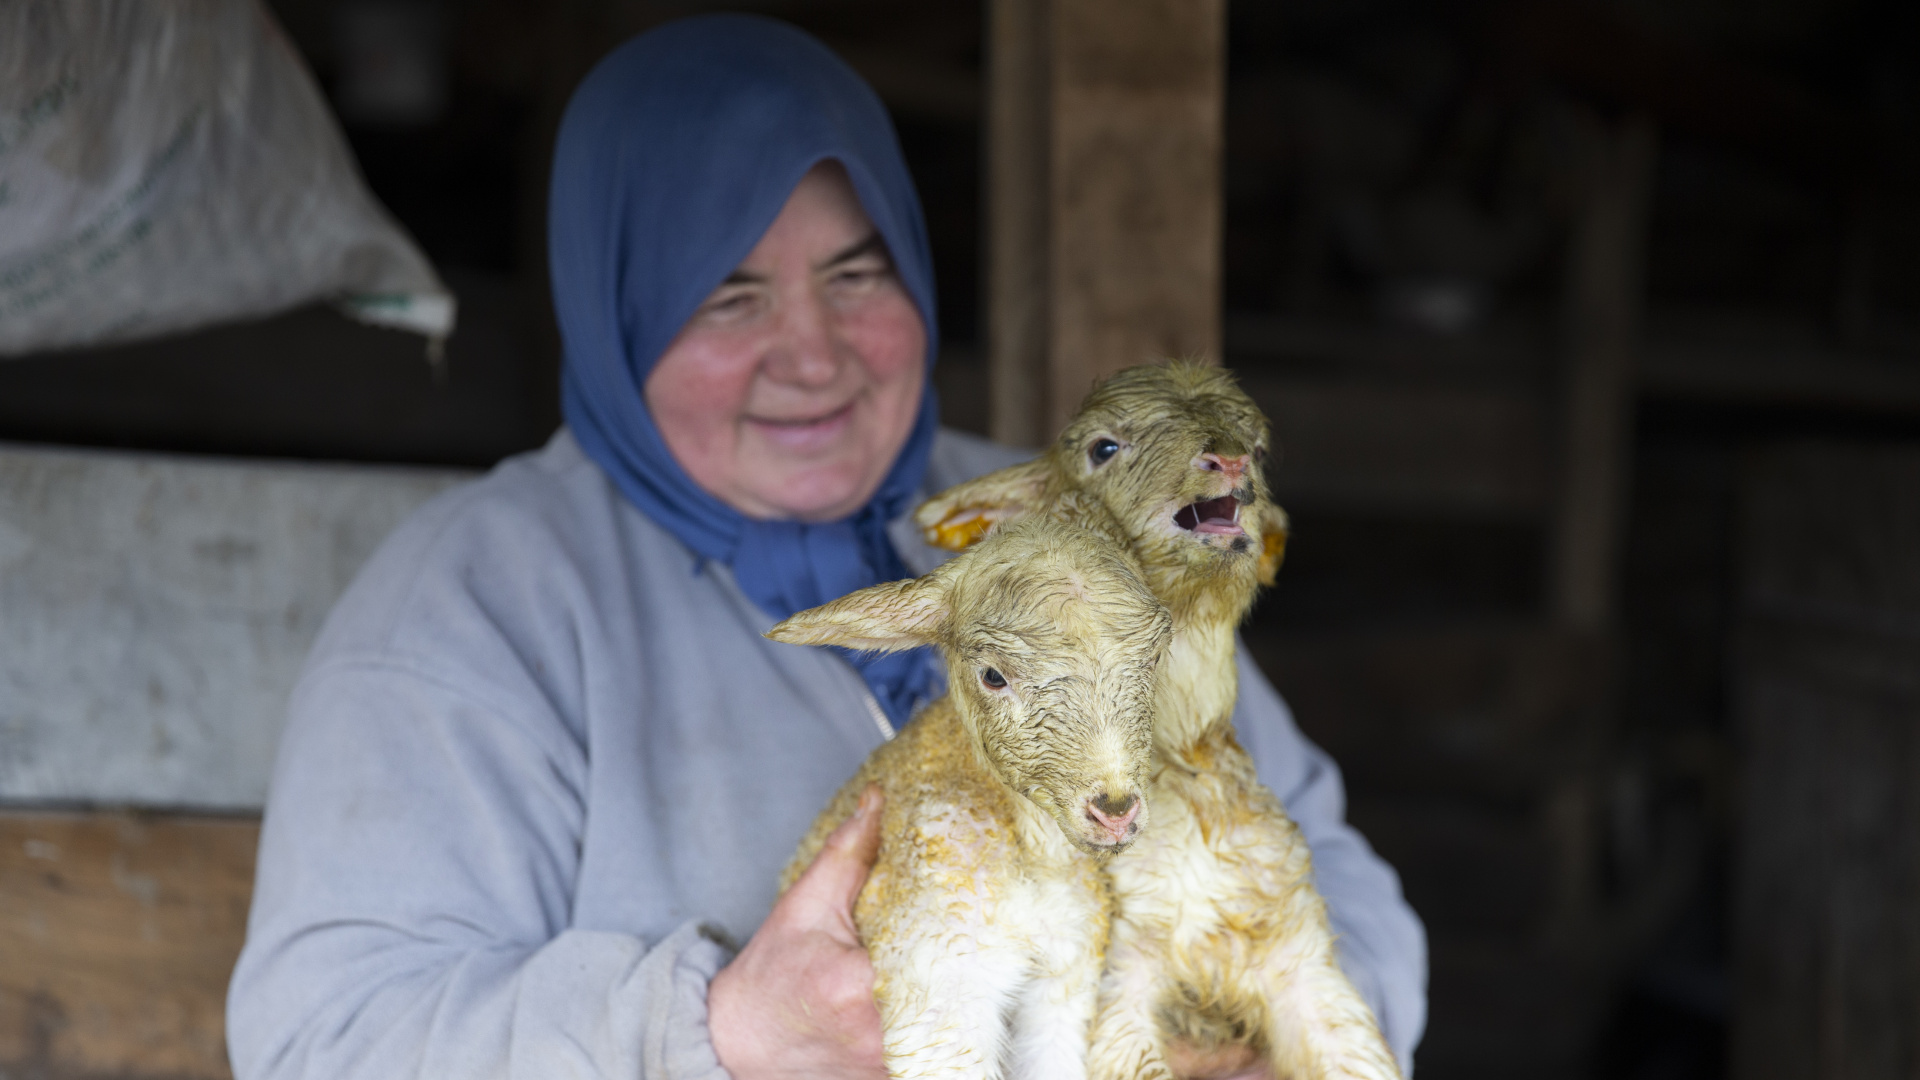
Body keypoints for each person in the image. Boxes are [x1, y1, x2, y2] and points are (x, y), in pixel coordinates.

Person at [226, 15, 1426, 1080]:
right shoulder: (477, 607)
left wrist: (1269, 1049)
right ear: (615, 319)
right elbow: (323, 1040)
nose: (814, 355)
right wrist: (721, 1034)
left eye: (857, 275)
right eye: (727, 298)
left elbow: (1331, 871)